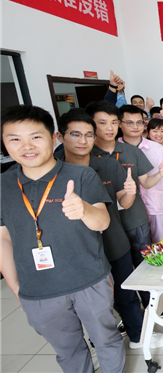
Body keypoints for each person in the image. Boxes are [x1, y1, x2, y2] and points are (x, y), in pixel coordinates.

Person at [1, 105, 126, 372]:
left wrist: (84, 210)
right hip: (38, 290)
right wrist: (15, 287)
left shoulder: (81, 175)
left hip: (90, 280)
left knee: (106, 340)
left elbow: (103, 222)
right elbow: (3, 239)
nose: (26, 146)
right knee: (68, 352)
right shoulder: (3, 185)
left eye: (35, 137)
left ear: (53, 137)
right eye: (15, 139)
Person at [56, 109, 163, 350]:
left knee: (125, 290)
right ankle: (101, 341)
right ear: (60, 136)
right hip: (76, 247)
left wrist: (130, 192)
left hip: (113, 239)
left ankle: (137, 335)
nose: (83, 140)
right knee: (89, 302)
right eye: (76, 134)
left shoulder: (108, 164)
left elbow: (124, 203)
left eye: (88, 135)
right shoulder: (52, 169)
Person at [118, 105, 163, 243]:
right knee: (137, 247)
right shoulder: (115, 150)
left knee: (162, 243)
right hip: (128, 210)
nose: (135, 127)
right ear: (119, 124)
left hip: (156, 205)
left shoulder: (155, 147)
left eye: (139, 122)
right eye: (130, 123)